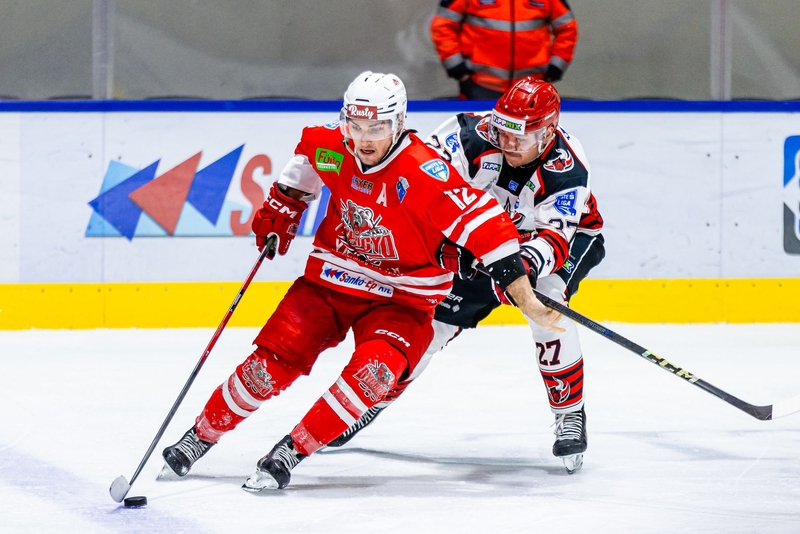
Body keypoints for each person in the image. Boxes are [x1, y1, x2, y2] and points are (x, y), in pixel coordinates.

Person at [160, 71, 562, 492]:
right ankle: (199, 437)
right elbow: (309, 154)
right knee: (267, 367)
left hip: (404, 299)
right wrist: (286, 201)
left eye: (377, 128)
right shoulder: (334, 145)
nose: (364, 139)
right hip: (331, 282)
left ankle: (291, 451)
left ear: (399, 122)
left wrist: (525, 296)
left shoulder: (423, 171)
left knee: (373, 375)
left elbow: (489, 227)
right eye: (356, 125)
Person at [328, 77, 604, 474]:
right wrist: (453, 249)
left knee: (548, 307)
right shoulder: (464, 136)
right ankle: (371, 398)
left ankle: (569, 412)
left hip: (559, 242)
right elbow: (419, 191)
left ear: (547, 133)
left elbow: (555, 239)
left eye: (521, 136)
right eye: (503, 130)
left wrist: (518, 270)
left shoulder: (567, 167)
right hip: (479, 242)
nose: (509, 143)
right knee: (428, 326)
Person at [430, 0, 578, 100]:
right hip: (479, 86)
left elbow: (567, 28)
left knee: (529, 136)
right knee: (476, 134)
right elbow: (442, 26)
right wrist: (457, 69)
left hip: (532, 88)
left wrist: (555, 68)